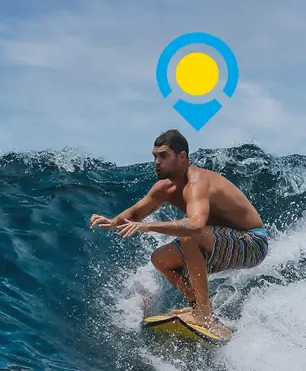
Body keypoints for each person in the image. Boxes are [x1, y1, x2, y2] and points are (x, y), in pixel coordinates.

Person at [90, 129, 270, 337]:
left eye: (164, 155)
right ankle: (198, 307)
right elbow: (136, 213)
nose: (157, 162)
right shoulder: (163, 189)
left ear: (182, 156)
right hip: (220, 242)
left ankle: (203, 313)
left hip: (252, 242)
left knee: (189, 236)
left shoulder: (197, 183)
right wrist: (113, 222)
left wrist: (146, 226)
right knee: (160, 259)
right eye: (155, 156)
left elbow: (195, 225)